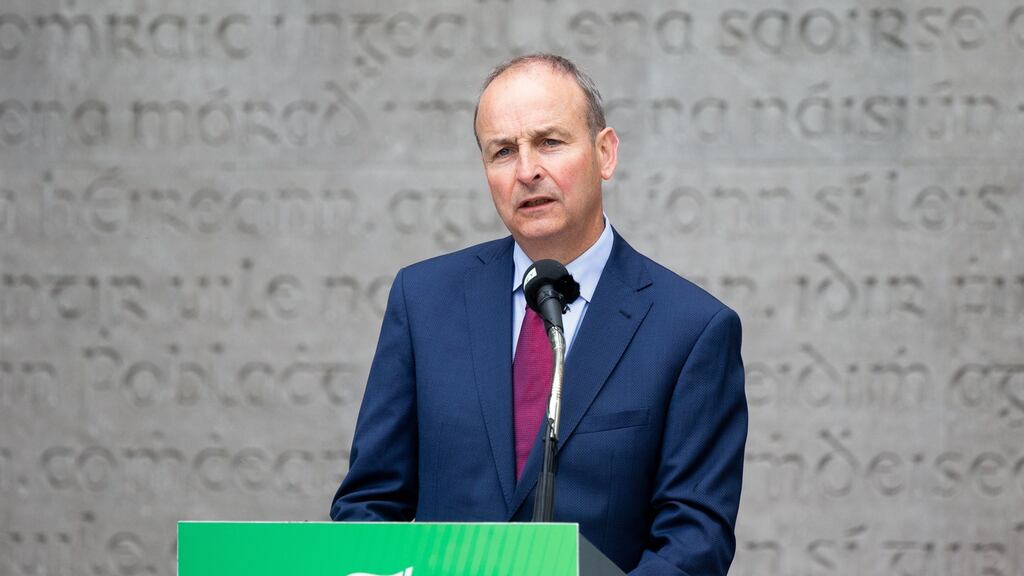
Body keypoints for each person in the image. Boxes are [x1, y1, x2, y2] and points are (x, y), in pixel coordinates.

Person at [330, 53, 747, 576]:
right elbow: (369, 504)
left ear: (605, 153)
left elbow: (695, 542)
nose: (527, 170)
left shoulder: (691, 330)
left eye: (550, 142)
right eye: (503, 151)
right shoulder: (424, 300)